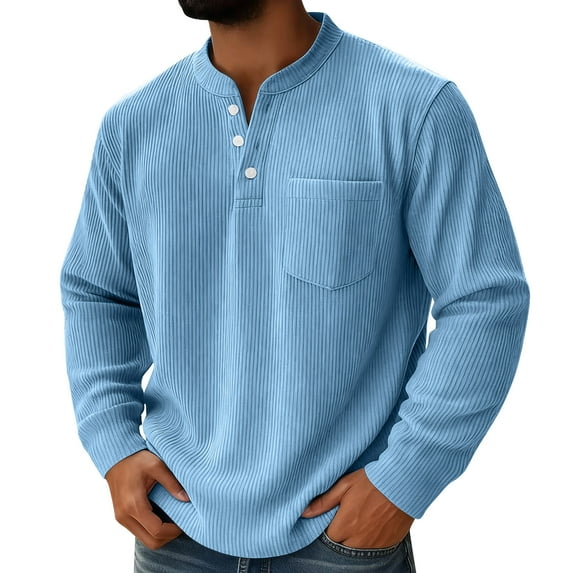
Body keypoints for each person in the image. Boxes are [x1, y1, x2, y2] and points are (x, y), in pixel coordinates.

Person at [60, 1, 530, 571]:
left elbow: (484, 300)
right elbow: (99, 293)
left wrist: (405, 478)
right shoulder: (133, 126)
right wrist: (113, 443)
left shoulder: (414, 108)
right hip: (177, 532)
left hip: (342, 540)